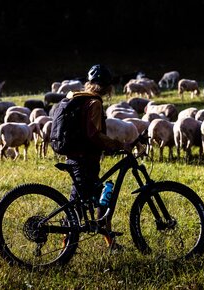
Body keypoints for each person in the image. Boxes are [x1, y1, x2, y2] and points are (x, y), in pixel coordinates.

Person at [65, 64, 131, 250]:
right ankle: (66, 247)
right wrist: (118, 144)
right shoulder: (94, 103)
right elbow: (93, 134)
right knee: (81, 204)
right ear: (108, 87)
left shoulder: (84, 99)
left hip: (78, 157)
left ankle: (109, 241)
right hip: (84, 160)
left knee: (90, 199)